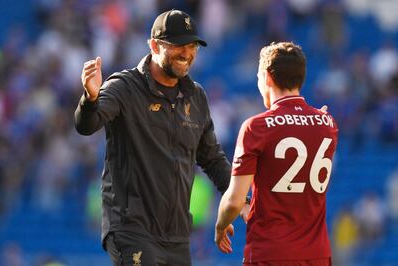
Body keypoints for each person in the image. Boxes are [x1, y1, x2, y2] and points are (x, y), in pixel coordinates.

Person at [74, 9, 232, 266]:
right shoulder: (124, 86)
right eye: (179, 45)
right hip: (131, 228)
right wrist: (90, 99)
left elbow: (212, 158)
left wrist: (240, 200)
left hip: (178, 235)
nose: (187, 53)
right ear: (154, 45)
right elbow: (87, 124)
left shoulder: (196, 96)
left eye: (192, 46)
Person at [214, 42, 339, 265]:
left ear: (267, 77)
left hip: (270, 252)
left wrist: (220, 225)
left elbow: (235, 201)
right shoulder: (328, 123)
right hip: (317, 254)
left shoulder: (257, 126)